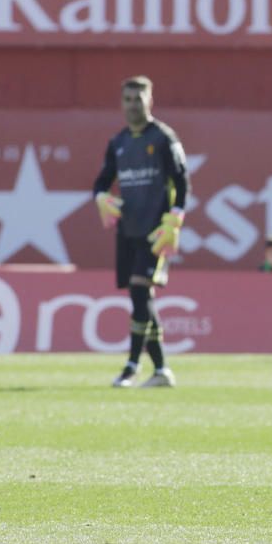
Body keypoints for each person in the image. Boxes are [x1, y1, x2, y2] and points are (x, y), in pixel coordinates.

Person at [93, 75, 190, 388]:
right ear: (121, 103)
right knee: (141, 298)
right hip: (128, 230)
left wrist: (174, 218)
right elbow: (102, 180)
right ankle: (161, 369)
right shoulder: (118, 142)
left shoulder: (163, 138)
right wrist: (101, 197)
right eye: (128, 99)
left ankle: (132, 365)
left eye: (139, 99)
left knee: (138, 291)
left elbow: (183, 180)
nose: (133, 105)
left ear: (150, 101)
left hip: (154, 231)